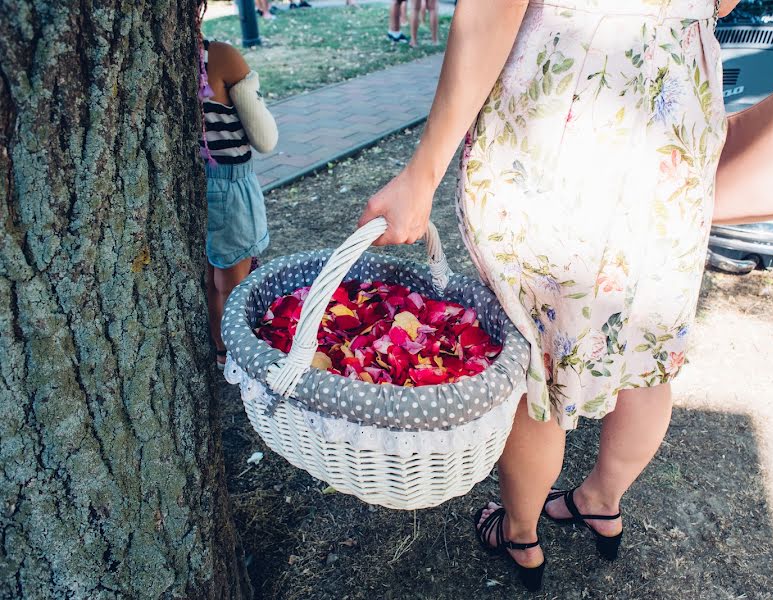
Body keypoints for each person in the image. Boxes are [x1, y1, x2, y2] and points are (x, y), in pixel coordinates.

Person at [358, 0, 742, 591]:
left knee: (537, 352)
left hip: (571, 107)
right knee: (645, 340)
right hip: (675, 110)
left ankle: (521, 533)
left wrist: (423, 171)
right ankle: (601, 500)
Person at [198, 20, 279, 370]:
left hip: (199, 183)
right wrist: (250, 85)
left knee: (211, 275)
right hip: (230, 185)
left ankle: (221, 348)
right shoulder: (218, 56)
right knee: (230, 283)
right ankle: (230, 355)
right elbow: (265, 138)